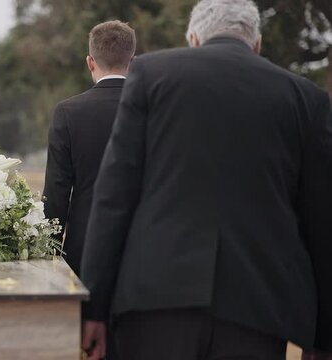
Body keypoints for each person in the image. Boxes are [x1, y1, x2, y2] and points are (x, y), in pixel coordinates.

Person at [79, 0, 332, 359]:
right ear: (256, 43)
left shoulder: (150, 74)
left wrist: (94, 308)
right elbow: (321, 221)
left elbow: (114, 196)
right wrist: (323, 338)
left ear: (194, 38)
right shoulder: (306, 98)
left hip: (155, 301)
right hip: (256, 311)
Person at [43, 20, 136, 276]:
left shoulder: (68, 112)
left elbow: (57, 188)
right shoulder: (154, 109)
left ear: (90, 62)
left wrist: (49, 250)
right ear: (132, 61)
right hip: (143, 247)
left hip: (86, 245)